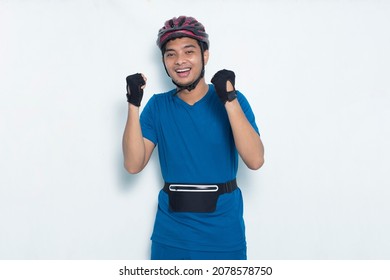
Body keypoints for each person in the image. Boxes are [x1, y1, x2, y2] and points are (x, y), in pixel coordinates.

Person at [122, 16, 264, 260]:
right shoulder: (157, 106)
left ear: (204, 55)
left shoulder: (234, 99)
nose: (180, 61)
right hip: (171, 237)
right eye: (170, 54)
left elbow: (255, 160)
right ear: (164, 62)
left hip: (223, 237)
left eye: (189, 51)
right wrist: (133, 104)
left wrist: (228, 99)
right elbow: (133, 164)